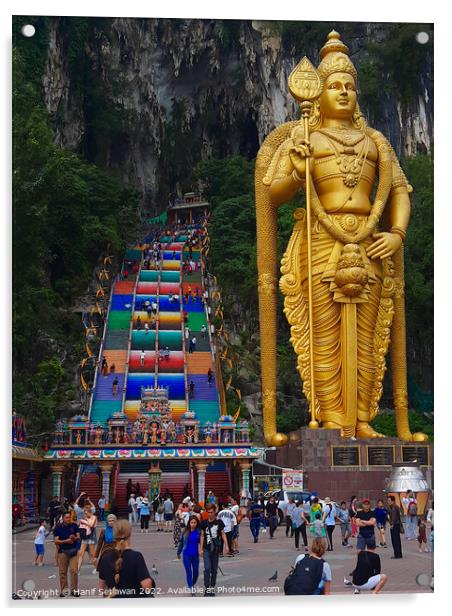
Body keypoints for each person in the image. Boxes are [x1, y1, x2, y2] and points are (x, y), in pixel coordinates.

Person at [256, 30, 428, 445]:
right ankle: (332, 418)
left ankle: (364, 418)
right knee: (325, 336)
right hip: (320, 241)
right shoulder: (305, 137)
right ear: (320, 93)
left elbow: (399, 192)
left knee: (370, 336)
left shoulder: (377, 143)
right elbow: (272, 192)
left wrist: (398, 233)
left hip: (370, 243)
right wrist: (298, 171)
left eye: (350, 86)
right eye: (335, 85)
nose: (344, 92)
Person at [98, 520, 155, 598]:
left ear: (114, 535)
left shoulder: (105, 558)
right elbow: (146, 586)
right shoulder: (136, 557)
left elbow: (101, 588)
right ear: (129, 535)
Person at [200, 504, 229, 596]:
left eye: (211, 512)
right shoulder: (203, 523)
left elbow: (223, 534)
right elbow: (202, 536)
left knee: (214, 570)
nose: (210, 514)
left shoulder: (219, 522)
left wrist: (227, 546)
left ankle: (212, 587)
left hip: (216, 549)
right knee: (207, 568)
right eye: (208, 512)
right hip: (206, 548)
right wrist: (200, 549)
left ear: (215, 512)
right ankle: (207, 588)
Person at [53, 512, 80, 597]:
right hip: (63, 552)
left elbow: (78, 537)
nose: (68, 519)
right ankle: (64, 590)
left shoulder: (74, 526)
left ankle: (74, 590)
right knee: (62, 572)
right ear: (63, 518)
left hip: (73, 552)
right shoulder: (58, 528)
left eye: (69, 517)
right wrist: (66, 541)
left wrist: (74, 538)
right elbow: (56, 541)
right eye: (67, 517)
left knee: (74, 571)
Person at [177, 515, 202, 595]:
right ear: (189, 523)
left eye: (195, 522)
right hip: (186, 554)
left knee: (196, 573)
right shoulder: (185, 531)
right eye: (192, 522)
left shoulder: (199, 531)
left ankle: (192, 584)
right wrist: (178, 552)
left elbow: (202, 542)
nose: (193, 524)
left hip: (195, 555)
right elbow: (181, 543)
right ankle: (191, 588)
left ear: (197, 523)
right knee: (189, 572)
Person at [77, 505, 98, 571]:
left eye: (86, 513)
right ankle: (78, 569)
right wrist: (82, 522)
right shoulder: (84, 518)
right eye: (85, 513)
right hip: (84, 537)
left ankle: (97, 568)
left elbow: (92, 525)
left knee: (92, 554)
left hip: (91, 538)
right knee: (81, 553)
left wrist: (84, 521)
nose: (85, 514)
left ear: (90, 512)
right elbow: (80, 526)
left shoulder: (94, 517)